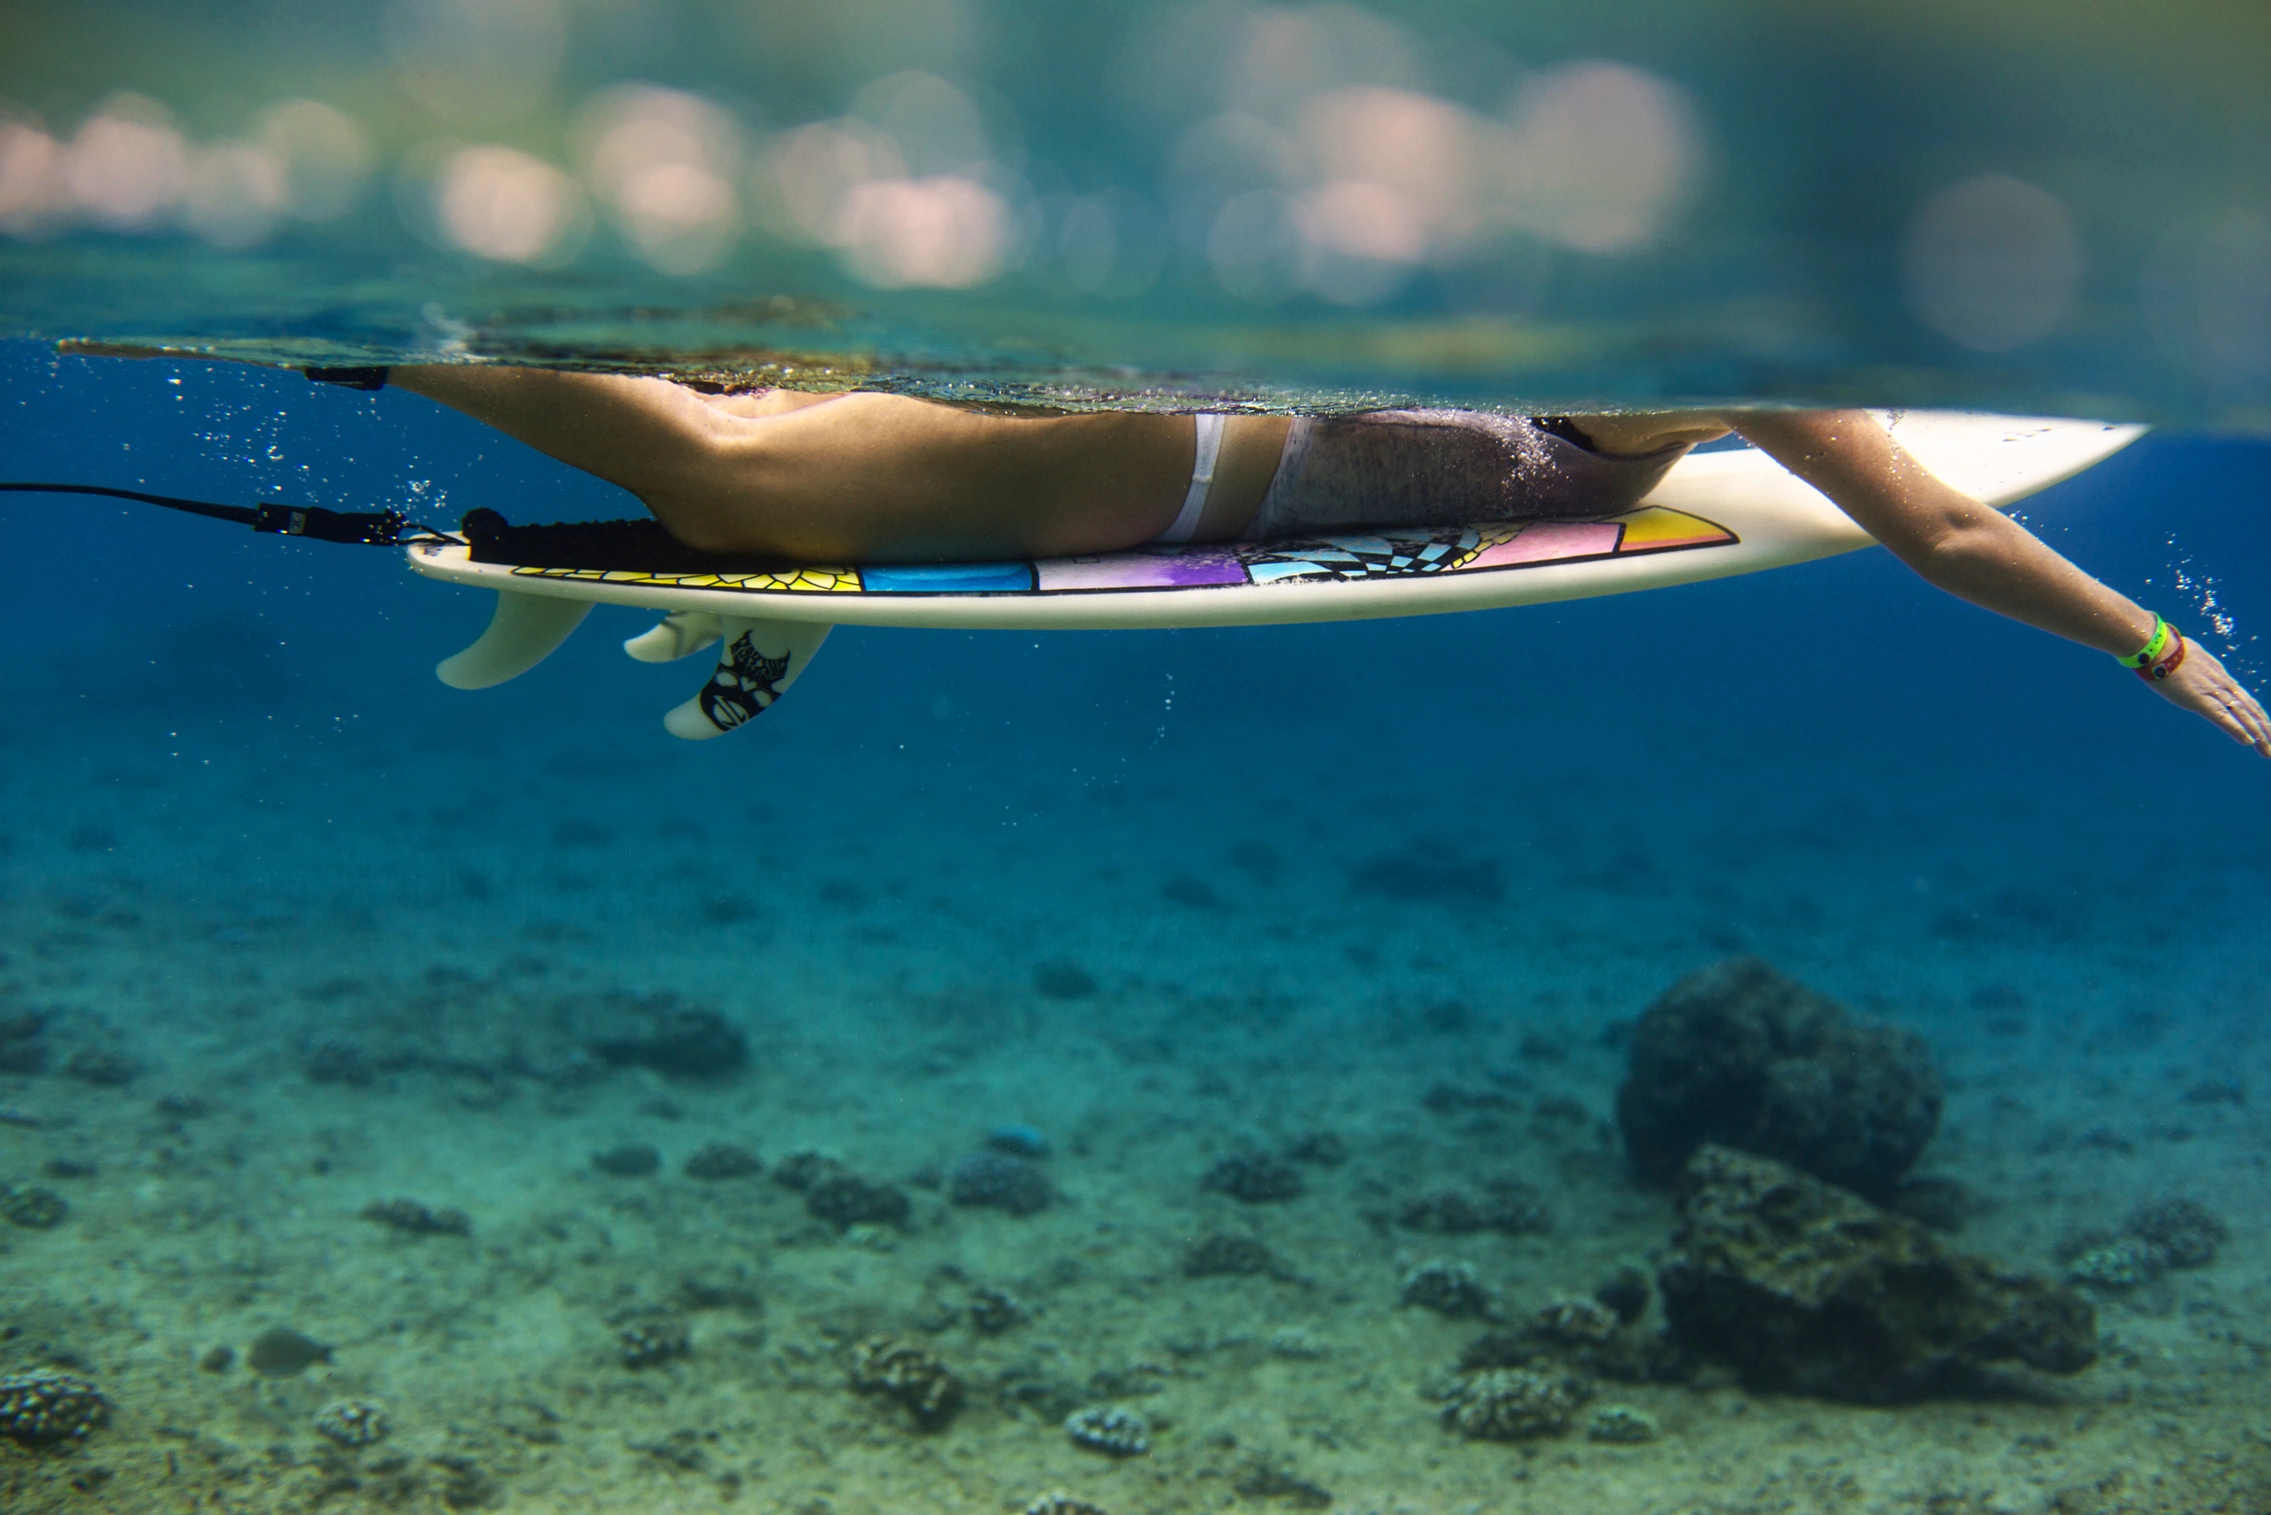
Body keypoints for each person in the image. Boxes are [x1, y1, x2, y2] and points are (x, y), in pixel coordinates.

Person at [327, 363, 2267, 756]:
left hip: (1171, 448)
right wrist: (2161, 660)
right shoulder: (1729, 318)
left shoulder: (1718, 311)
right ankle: (363, 329)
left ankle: (744, 568)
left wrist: (2151, 656)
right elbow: (1931, 520)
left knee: (739, 458)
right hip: (1174, 462)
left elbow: (1929, 512)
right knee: (735, 458)